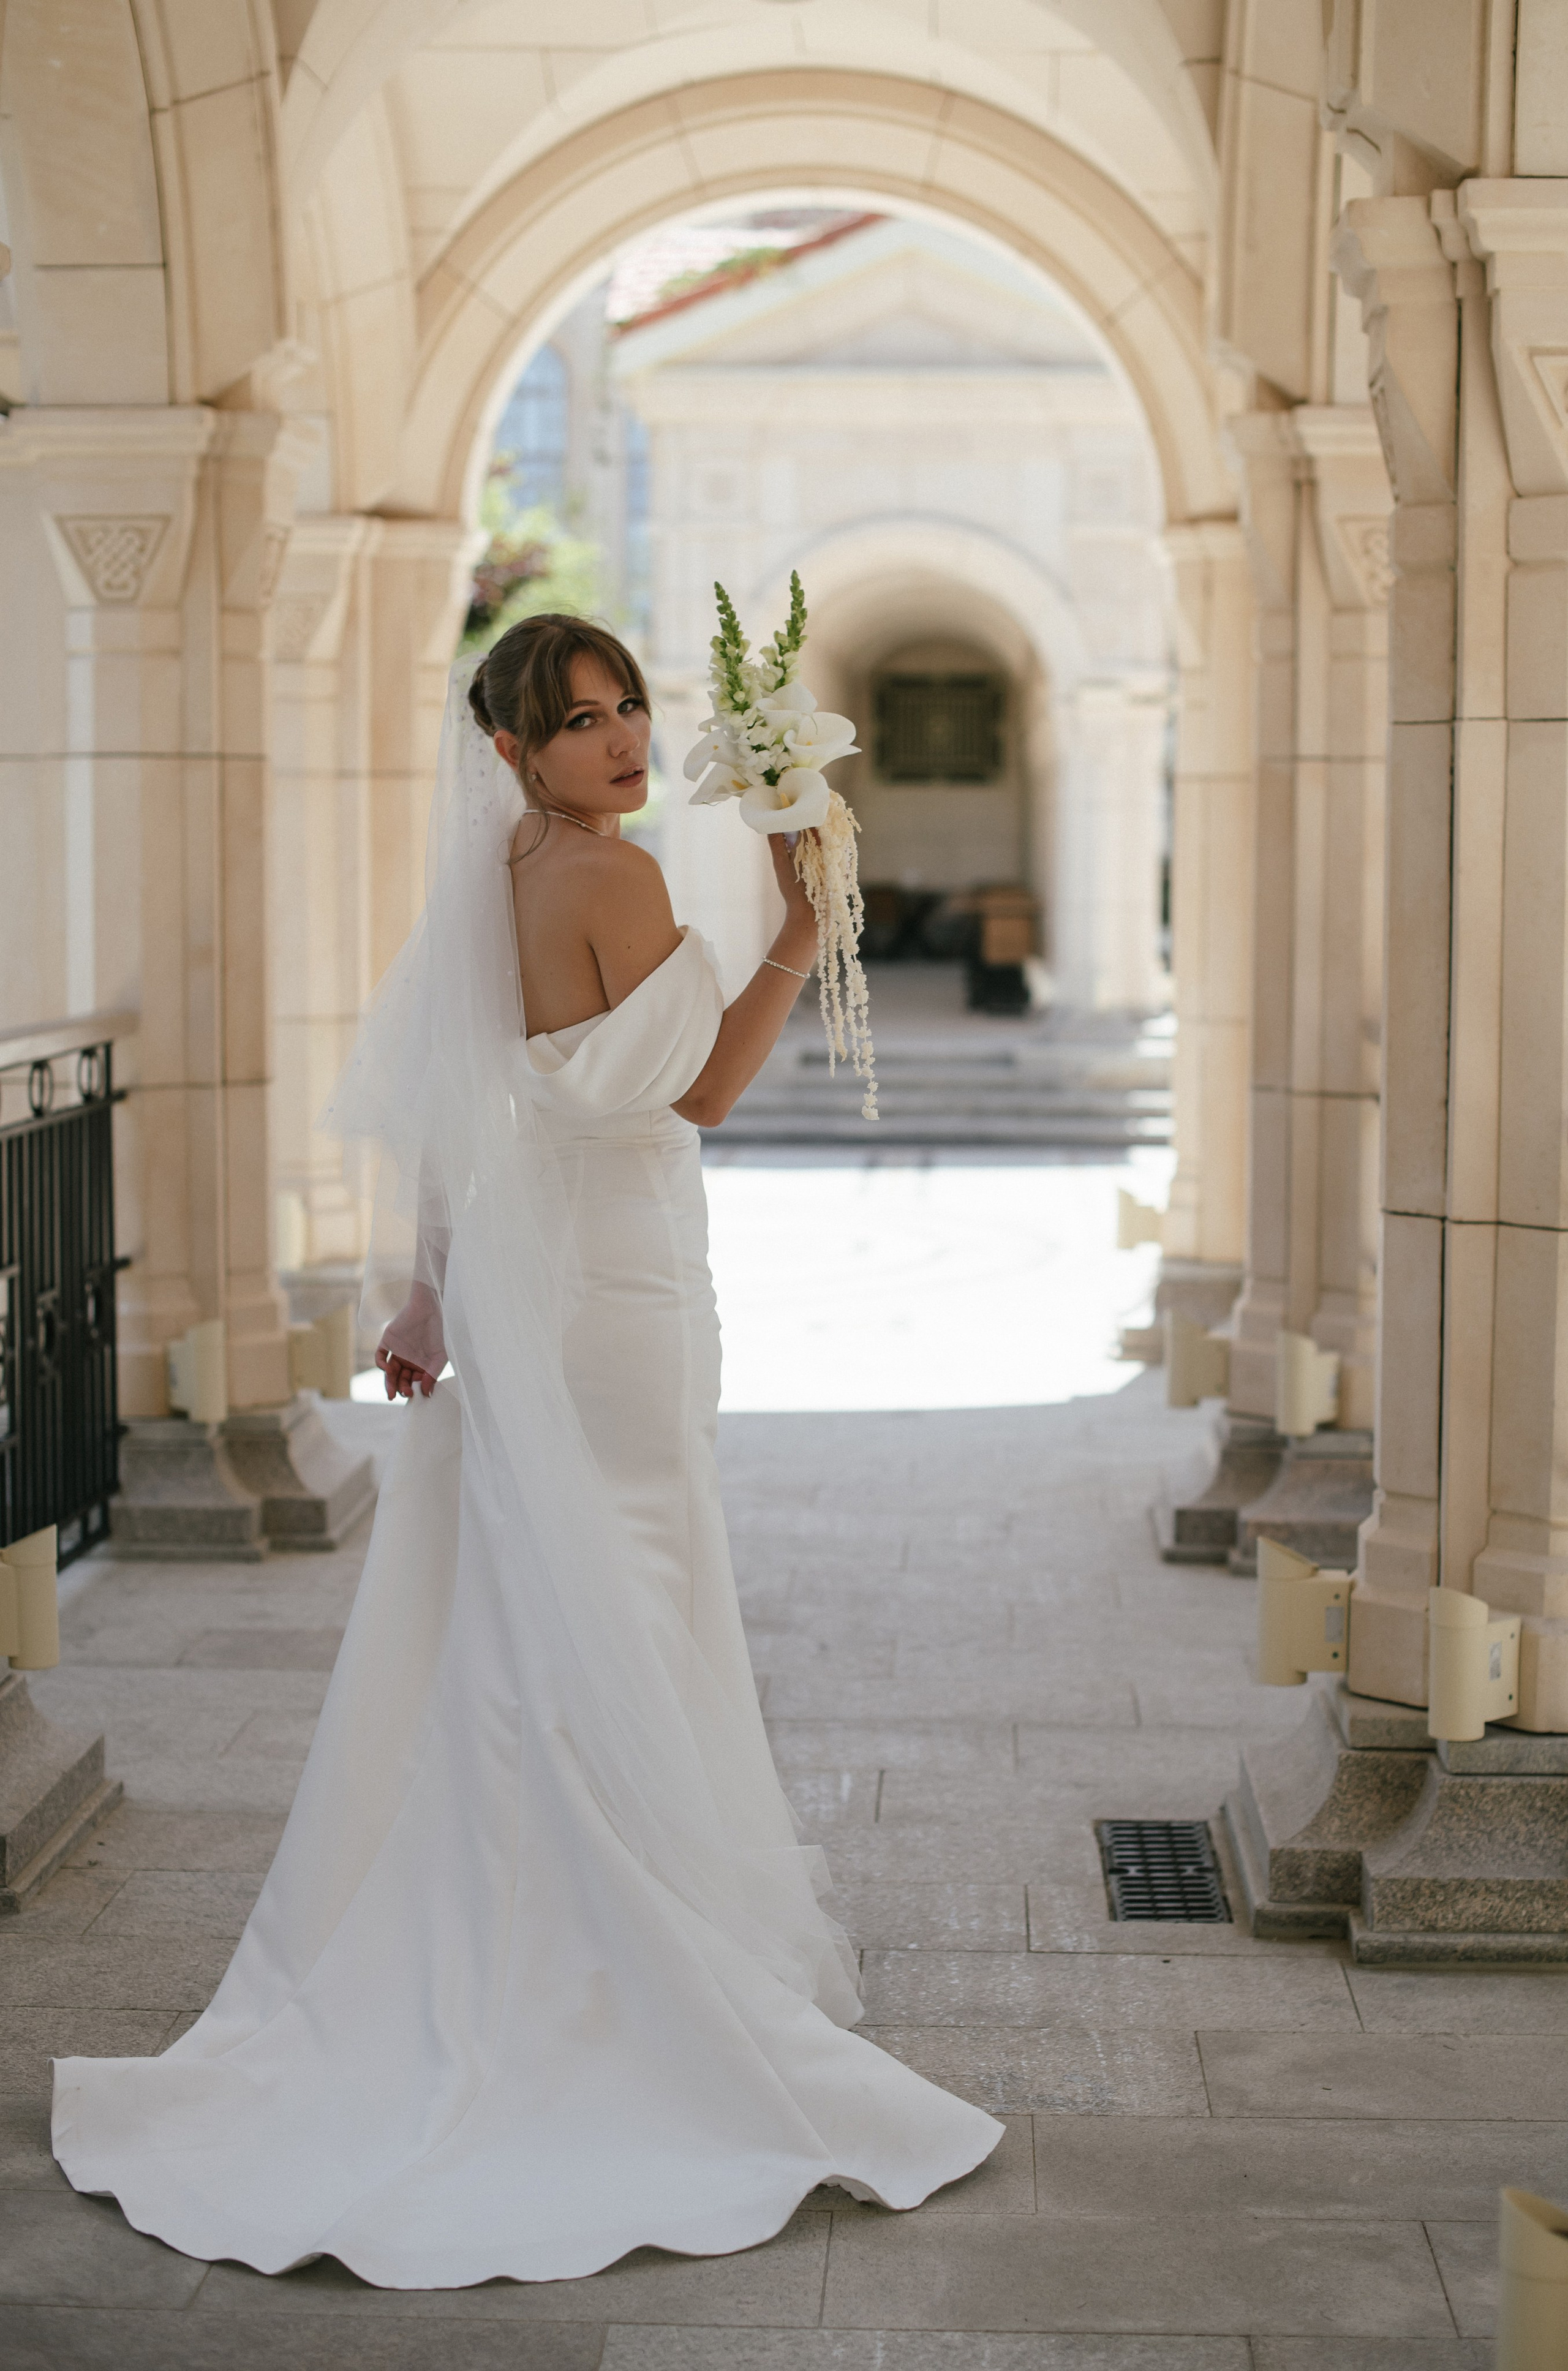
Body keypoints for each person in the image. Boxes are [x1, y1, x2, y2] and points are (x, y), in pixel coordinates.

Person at [51, 614, 1001, 2288]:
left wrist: (427, 1296)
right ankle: (621, 1961)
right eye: (579, 722)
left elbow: (452, 1108)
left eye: (629, 708)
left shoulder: (489, 890)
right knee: (631, 1588)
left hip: (515, 1281)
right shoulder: (613, 883)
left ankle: (509, 1934)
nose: (620, 741)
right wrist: (796, 927)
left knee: (531, 1592)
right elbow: (696, 1095)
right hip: (620, 1287)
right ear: (512, 752)